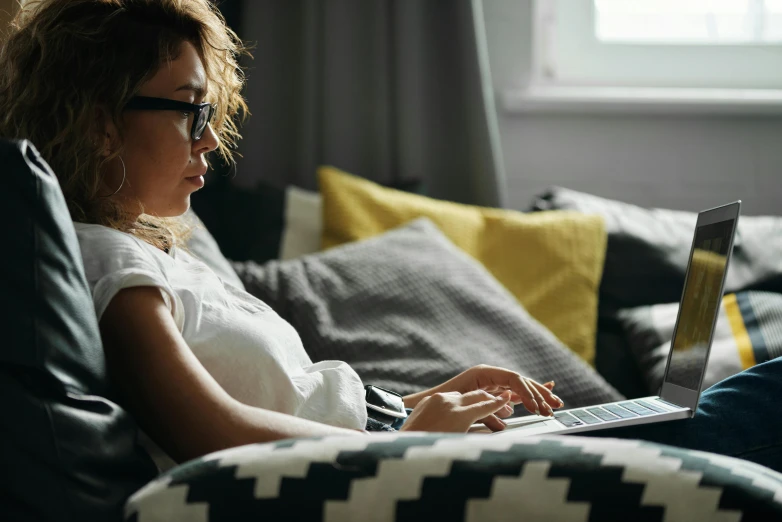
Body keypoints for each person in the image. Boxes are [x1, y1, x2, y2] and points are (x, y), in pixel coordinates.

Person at [0, 0, 779, 476]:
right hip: (383, 470)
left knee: (723, 404)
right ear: (100, 120)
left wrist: (416, 404)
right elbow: (208, 432)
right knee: (756, 400)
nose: (212, 139)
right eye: (189, 110)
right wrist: (406, 443)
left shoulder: (162, 253)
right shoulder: (104, 261)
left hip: (390, 443)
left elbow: (295, 401)